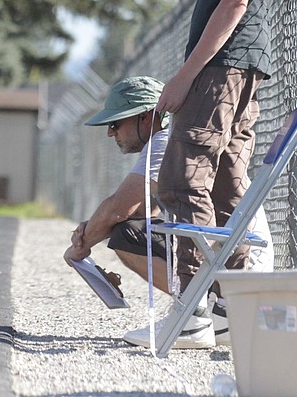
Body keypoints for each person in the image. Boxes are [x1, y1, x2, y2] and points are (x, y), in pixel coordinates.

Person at [136, 0, 289, 350]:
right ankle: (231, 310)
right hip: (239, 63)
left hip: (223, 65)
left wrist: (184, 76)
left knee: (181, 179)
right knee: (226, 186)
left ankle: (193, 311)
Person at [67, 77, 273, 349]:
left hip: (239, 263)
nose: (110, 132)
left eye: (115, 123)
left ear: (146, 117)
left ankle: (193, 312)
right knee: (129, 229)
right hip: (240, 258)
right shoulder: (171, 138)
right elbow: (138, 211)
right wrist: (92, 226)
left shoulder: (166, 141)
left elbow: (118, 211)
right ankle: (209, 312)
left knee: (124, 234)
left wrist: (79, 248)